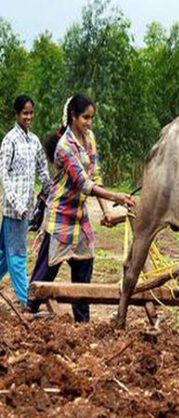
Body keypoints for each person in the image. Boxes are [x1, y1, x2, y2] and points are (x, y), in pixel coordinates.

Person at [27, 94, 135, 322]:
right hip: (59, 218)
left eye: (91, 118)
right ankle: (29, 313)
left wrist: (106, 210)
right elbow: (84, 184)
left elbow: (95, 174)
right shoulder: (64, 147)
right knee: (45, 274)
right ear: (73, 117)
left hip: (80, 218)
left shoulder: (90, 139)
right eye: (85, 118)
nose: (89, 123)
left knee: (84, 272)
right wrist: (117, 196)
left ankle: (82, 323)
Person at [0, 95, 51, 307]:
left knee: (4, 254)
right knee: (17, 256)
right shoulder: (9, 140)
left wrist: (51, 189)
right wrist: (18, 206)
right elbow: (4, 176)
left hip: (28, 209)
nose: (28, 117)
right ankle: (25, 300)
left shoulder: (34, 141)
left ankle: (24, 299)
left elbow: (42, 170)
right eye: (25, 113)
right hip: (14, 211)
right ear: (17, 114)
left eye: (31, 113)